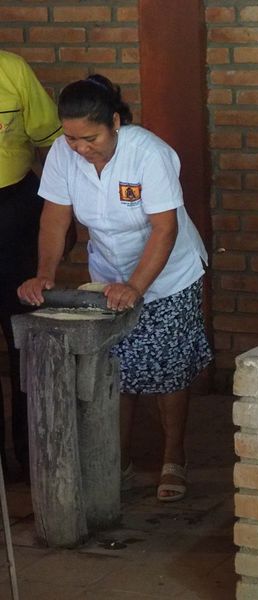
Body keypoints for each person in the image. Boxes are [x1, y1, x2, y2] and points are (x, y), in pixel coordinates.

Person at [17, 74, 211, 502]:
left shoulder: (150, 154)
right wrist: (45, 270)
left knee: (168, 368)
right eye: (71, 139)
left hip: (168, 274)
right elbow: (55, 217)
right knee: (114, 367)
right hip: (108, 273)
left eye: (91, 138)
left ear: (116, 123)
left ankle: (173, 457)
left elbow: (164, 228)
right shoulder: (63, 157)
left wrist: (137, 286)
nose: (81, 148)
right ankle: (115, 459)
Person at [0, 50, 63, 479]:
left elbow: (55, 141)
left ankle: (31, 455)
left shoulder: (12, 68)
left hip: (13, 211)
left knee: (23, 337)